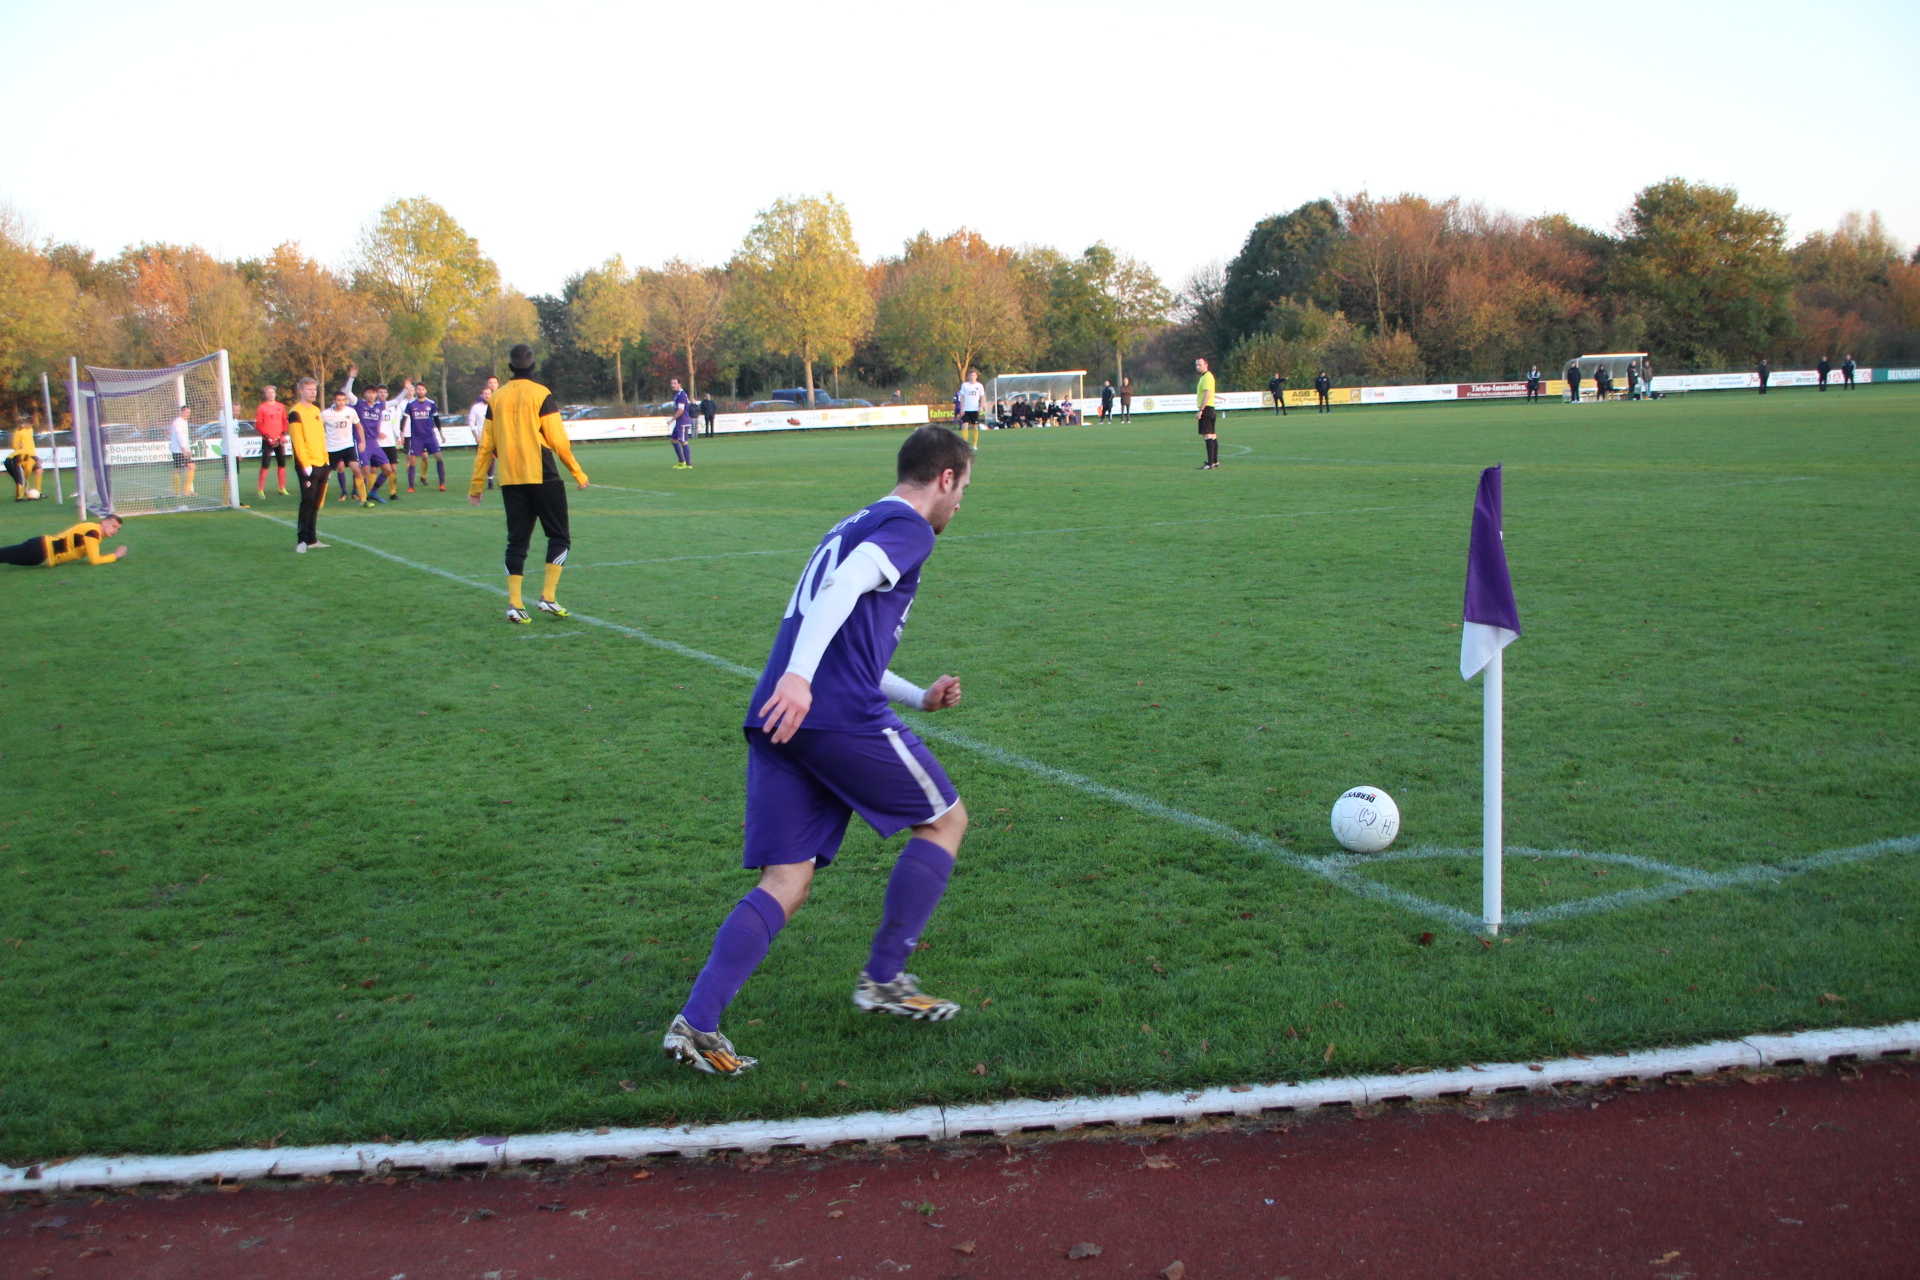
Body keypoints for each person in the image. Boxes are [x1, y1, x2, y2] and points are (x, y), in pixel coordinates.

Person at [664, 424, 974, 1076]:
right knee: (945, 821)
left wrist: (917, 697)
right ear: (945, 478)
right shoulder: (909, 527)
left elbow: (844, 638)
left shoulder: (852, 523)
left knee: (787, 880)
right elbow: (840, 594)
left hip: (780, 715)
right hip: (827, 711)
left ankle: (696, 1024)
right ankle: (884, 979)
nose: (959, 504)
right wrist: (802, 679)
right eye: (963, 489)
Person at [468, 343, 589, 623]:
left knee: (517, 541)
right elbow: (558, 440)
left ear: (510, 368)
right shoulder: (541, 393)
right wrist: (577, 472)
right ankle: (548, 597)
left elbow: (486, 446)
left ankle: (515, 604)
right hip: (542, 474)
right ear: (533, 366)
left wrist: (477, 485)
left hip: (511, 478)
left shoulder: (496, 398)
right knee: (559, 536)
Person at [287, 376, 331, 552]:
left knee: (316, 502)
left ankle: (312, 539)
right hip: (307, 464)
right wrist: (306, 464)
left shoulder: (316, 411)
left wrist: (326, 460)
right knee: (308, 501)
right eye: (309, 389)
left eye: (314, 389)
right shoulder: (295, 413)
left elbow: (320, 436)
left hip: (322, 462)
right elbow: (298, 441)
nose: (313, 392)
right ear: (301, 391)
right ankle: (302, 541)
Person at [0, 513, 126, 568]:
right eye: (113, 526)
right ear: (104, 523)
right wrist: (115, 556)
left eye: (118, 529)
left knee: (6, 556)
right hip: (42, 550)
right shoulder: (93, 533)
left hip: (42, 552)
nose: (115, 530)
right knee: (4, 555)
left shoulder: (93, 530)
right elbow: (95, 560)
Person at [342, 368, 391, 505]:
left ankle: (373, 492)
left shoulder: (379, 406)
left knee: (388, 470)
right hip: (361, 441)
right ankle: (361, 497)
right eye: (369, 392)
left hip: (374, 442)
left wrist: (406, 389)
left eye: (373, 393)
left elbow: (396, 401)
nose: (371, 395)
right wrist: (351, 377)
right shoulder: (359, 404)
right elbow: (347, 392)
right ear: (365, 394)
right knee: (365, 470)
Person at [320, 387, 367, 503]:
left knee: (356, 470)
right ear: (334, 401)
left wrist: (362, 441)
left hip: (348, 446)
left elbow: (359, 426)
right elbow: (318, 428)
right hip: (332, 448)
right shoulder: (325, 414)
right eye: (338, 400)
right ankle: (320, 501)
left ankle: (364, 499)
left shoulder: (350, 412)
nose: (341, 402)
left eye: (343, 400)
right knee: (326, 474)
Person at [404, 382, 443, 491]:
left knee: (439, 458)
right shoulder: (411, 404)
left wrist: (441, 433)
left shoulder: (431, 403)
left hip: (429, 436)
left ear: (426, 391)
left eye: (423, 389)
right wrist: (402, 433)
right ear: (416, 391)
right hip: (416, 437)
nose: (421, 391)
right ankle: (411, 486)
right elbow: (404, 419)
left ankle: (442, 484)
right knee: (413, 460)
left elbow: (436, 419)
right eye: (419, 389)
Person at [255, 385, 289, 497]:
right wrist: (267, 437)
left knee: (282, 463)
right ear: (265, 395)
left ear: (275, 394)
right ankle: (260, 489)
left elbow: (284, 421)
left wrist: (283, 434)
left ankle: (282, 488)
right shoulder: (262, 408)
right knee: (265, 464)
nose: (271, 394)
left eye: (272, 392)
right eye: (268, 392)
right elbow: (258, 425)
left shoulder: (281, 406)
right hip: (268, 440)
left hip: (279, 439)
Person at [7, 417, 43, 501]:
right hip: (25, 456)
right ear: (25, 423)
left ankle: (38, 492)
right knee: (26, 476)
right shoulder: (19, 431)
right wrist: (21, 453)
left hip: (33, 455)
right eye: (29, 425)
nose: (30, 427)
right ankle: (23, 495)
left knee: (39, 471)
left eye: (31, 425)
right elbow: (15, 445)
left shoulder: (31, 430)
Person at [167, 404, 196, 501]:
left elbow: (183, 437)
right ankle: (185, 491)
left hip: (179, 450)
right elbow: (179, 437)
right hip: (179, 450)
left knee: (178, 469)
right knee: (191, 467)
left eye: (189, 412)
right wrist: (184, 450)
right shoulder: (178, 422)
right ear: (182, 412)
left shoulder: (183, 422)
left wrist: (187, 448)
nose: (188, 414)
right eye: (186, 412)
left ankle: (179, 492)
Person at [1195, 358, 1220, 469]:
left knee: (1207, 435)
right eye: (1196, 365)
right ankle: (1214, 461)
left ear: (1206, 365)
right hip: (1210, 408)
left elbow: (1207, 394)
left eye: (1200, 365)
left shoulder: (1206, 377)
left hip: (1207, 409)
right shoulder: (1206, 377)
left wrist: (1201, 410)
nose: (1197, 367)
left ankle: (1210, 463)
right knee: (1212, 435)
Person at [668, 377, 696, 468]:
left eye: (675, 383)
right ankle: (681, 461)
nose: (673, 385)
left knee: (683, 441)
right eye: (672, 383)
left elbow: (681, 410)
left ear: (679, 384)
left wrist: (672, 419)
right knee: (673, 440)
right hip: (679, 422)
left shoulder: (682, 395)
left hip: (683, 422)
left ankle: (688, 464)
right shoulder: (678, 394)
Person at [956, 369, 985, 447]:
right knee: (964, 425)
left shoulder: (979, 386)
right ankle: (965, 444)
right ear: (968, 376)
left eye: (973, 375)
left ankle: (974, 445)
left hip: (975, 409)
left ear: (976, 376)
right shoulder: (965, 385)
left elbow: (982, 397)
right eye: (971, 375)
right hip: (966, 409)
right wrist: (962, 408)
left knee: (974, 426)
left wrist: (981, 407)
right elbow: (962, 397)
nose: (972, 377)